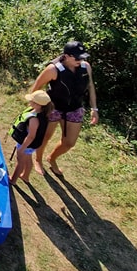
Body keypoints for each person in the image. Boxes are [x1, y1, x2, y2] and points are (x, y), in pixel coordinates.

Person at [29, 41, 98, 176]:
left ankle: (52, 158)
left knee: (69, 142)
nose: (81, 60)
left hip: (74, 108)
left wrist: (94, 109)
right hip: (53, 108)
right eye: (77, 58)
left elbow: (90, 87)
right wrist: (35, 106)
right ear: (66, 56)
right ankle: (38, 160)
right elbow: (36, 87)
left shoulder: (86, 67)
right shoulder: (53, 69)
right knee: (45, 136)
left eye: (83, 57)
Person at [8, 90, 53, 185]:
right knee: (28, 159)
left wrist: (22, 148)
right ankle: (25, 176)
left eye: (31, 101)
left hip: (27, 144)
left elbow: (31, 136)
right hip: (32, 145)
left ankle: (13, 180)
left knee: (20, 161)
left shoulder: (34, 119)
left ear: (38, 105)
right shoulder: (42, 113)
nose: (29, 102)